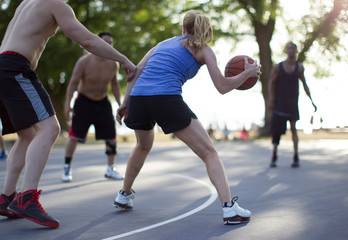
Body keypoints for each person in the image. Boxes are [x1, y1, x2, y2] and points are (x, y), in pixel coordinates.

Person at [113, 10, 260, 225]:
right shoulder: (204, 50)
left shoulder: (162, 44)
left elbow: (134, 72)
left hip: (139, 99)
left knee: (142, 145)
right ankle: (229, 208)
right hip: (165, 99)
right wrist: (246, 74)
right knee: (209, 152)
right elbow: (222, 86)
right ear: (207, 30)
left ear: (183, 28)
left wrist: (126, 103)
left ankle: (124, 195)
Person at [0, 0, 135, 228]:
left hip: (4, 65)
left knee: (28, 135)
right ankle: (27, 198)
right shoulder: (56, 4)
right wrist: (122, 58)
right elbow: (88, 40)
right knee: (50, 129)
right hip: (15, 67)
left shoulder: (26, 3)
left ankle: (6, 198)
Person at [62, 32, 124, 182]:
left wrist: (121, 105)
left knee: (111, 136)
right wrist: (67, 105)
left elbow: (115, 85)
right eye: (105, 42)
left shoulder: (113, 64)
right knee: (74, 136)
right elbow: (73, 83)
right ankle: (67, 167)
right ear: (97, 43)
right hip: (84, 102)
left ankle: (111, 168)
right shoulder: (84, 61)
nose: (108, 46)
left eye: (110, 43)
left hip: (102, 102)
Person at [268, 42, 317, 168]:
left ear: (296, 51)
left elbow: (305, 84)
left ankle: (296, 156)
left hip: (292, 103)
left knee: (294, 129)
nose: (291, 50)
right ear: (286, 51)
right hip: (279, 104)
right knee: (276, 132)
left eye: (293, 49)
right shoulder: (278, 67)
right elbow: (271, 83)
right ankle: (274, 154)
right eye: (289, 48)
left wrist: (311, 101)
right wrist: (271, 100)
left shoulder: (299, 67)